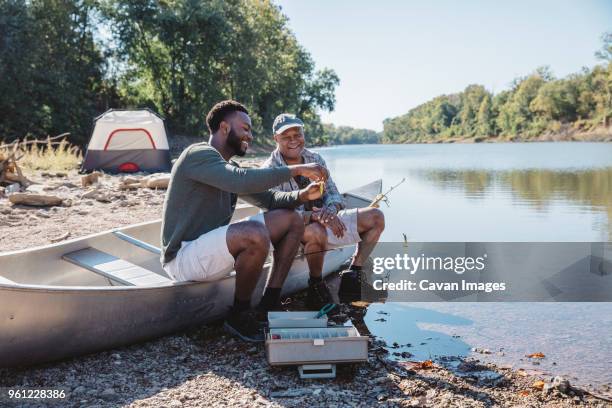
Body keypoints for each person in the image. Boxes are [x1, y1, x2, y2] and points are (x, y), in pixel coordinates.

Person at [161, 101, 328, 342]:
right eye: (245, 129)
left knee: (291, 219)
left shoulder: (228, 166)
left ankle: (268, 303)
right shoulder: (197, 155)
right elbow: (241, 181)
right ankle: (239, 315)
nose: (249, 135)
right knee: (254, 232)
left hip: (211, 253)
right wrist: (298, 170)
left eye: (250, 130)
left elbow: (270, 199)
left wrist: (302, 195)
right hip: (184, 260)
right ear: (224, 127)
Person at [261, 113, 385, 307]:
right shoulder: (268, 170)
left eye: (298, 134)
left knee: (376, 217)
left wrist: (331, 210)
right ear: (275, 138)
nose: (294, 140)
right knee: (316, 231)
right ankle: (316, 286)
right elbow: (276, 215)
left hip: (326, 221)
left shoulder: (315, 158)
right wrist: (316, 217)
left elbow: (333, 193)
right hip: (295, 232)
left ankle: (354, 275)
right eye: (286, 136)